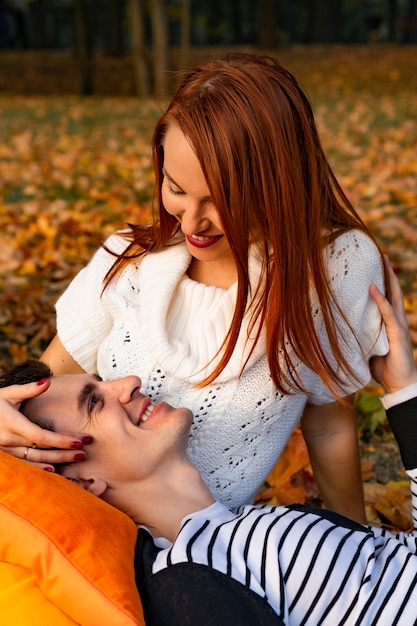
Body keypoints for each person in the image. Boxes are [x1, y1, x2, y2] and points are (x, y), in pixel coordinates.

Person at [0, 53, 389, 522]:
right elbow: (45, 385)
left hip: (212, 557)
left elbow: (329, 424)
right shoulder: (129, 259)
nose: (193, 222)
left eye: (222, 201)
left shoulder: (335, 267)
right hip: (90, 536)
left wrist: (364, 546)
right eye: (175, 188)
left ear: (281, 183)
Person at [1, 267, 416, 626]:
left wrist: (403, 392)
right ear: (81, 478)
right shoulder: (187, 580)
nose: (129, 383)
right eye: (94, 402)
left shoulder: (240, 530)